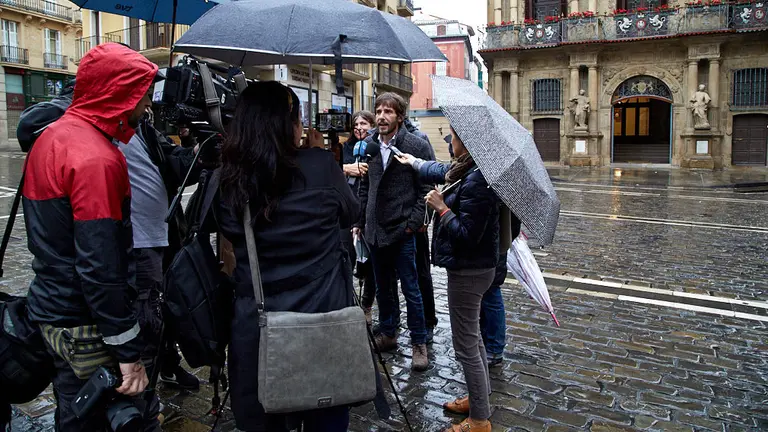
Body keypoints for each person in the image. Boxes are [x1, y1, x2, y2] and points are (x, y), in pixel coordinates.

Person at [21, 43, 160, 431]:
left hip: (54, 311)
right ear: (120, 93)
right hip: (86, 325)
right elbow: (101, 266)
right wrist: (128, 353)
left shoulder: (52, 137)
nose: (147, 105)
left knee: (74, 412)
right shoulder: (96, 158)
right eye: (143, 95)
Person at [217, 81, 359, 431]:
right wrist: (321, 157)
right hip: (322, 323)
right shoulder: (321, 167)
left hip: (259, 329)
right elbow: (350, 214)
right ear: (288, 125)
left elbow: (228, 240)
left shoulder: (229, 177)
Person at [396, 126, 500, 432]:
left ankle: (479, 420)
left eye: (452, 137)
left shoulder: (478, 180)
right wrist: (414, 161)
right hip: (473, 268)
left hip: (470, 271)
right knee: (474, 339)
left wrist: (441, 208)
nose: (448, 141)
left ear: (464, 144)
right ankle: (481, 399)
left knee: (466, 345)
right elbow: (440, 169)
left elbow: (468, 235)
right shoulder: (468, 169)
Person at [116, 112, 201, 391]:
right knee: (147, 314)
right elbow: (32, 125)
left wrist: (198, 149)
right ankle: (145, 389)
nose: (148, 100)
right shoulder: (85, 115)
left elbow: (176, 163)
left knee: (165, 306)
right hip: (136, 241)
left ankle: (167, 366)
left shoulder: (143, 128)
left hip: (162, 235)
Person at [353, 92, 434, 371]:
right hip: (375, 230)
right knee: (383, 286)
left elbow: (427, 186)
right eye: (378, 110)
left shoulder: (415, 144)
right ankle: (388, 332)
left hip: (402, 231)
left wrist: (412, 223)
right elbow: (365, 185)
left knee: (411, 289)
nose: (381, 116)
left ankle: (418, 343)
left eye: (388, 111)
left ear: (399, 116)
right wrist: (360, 220)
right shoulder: (369, 145)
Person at [341, 110, 378, 325]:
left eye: (364, 123)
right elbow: (335, 169)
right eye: (356, 124)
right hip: (347, 208)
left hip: (368, 210)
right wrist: (347, 168)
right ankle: (347, 301)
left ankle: (366, 305)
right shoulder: (346, 147)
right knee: (347, 256)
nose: (359, 128)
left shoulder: (374, 147)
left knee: (370, 263)